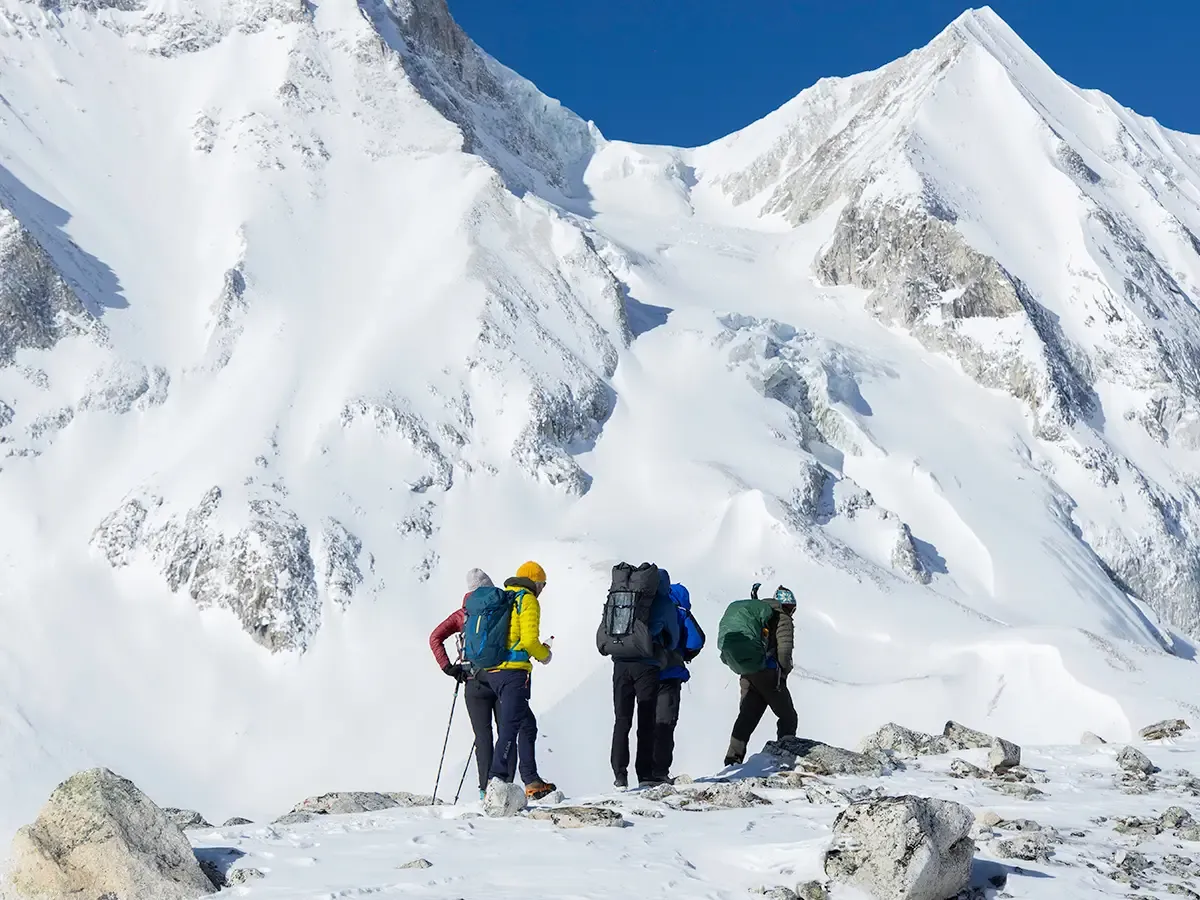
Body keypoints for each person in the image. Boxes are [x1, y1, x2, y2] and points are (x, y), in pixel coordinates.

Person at [428, 568, 519, 797]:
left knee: (482, 736)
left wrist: (449, 668)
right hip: (502, 677)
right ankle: (505, 787)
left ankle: (483, 790)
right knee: (506, 733)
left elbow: (435, 637)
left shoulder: (463, 614)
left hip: (472, 680)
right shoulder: (503, 608)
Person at [484, 561, 557, 800]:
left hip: (493, 671)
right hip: (515, 673)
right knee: (510, 727)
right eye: (543, 584)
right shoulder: (527, 600)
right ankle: (497, 781)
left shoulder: (505, 598)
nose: (543, 590)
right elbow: (528, 640)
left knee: (527, 724)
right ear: (536, 582)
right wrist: (544, 655)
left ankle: (531, 780)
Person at [611, 568, 681, 789]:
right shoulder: (665, 603)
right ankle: (645, 775)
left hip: (620, 664)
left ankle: (620, 775)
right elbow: (674, 639)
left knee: (622, 720)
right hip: (647, 666)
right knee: (646, 721)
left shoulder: (625, 598)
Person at [724, 585, 798, 767]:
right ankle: (785, 755)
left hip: (748, 673)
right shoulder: (782, 617)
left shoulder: (759, 614)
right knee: (788, 716)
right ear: (788, 605)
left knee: (747, 717)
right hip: (768, 673)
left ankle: (732, 760)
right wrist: (783, 672)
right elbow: (785, 649)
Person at [652, 581, 703, 783]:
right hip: (670, 674)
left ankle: (643, 773)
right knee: (665, 724)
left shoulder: (647, 607)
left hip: (643, 674)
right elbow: (695, 641)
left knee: (646, 724)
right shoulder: (679, 610)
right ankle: (659, 773)